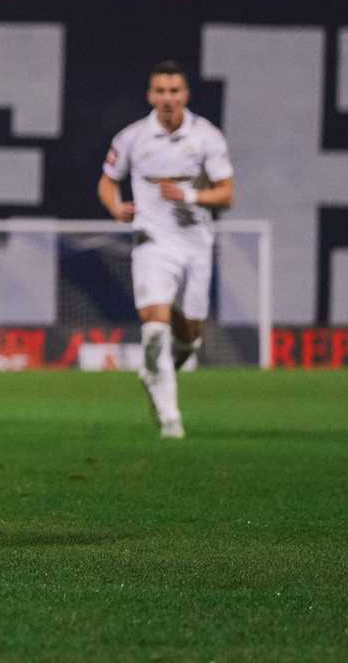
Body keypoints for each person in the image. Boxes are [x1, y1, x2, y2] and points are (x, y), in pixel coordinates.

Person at [97, 60, 235, 439]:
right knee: (155, 326)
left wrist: (189, 195)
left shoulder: (206, 137)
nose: (168, 98)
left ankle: (154, 372)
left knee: (189, 337)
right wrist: (115, 207)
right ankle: (171, 419)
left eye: (174, 91)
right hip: (152, 242)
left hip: (195, 244)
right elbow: (107, 182)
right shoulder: (132, 138)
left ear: (185, 95)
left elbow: (227, 194)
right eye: (160, 91)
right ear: (150, 96)